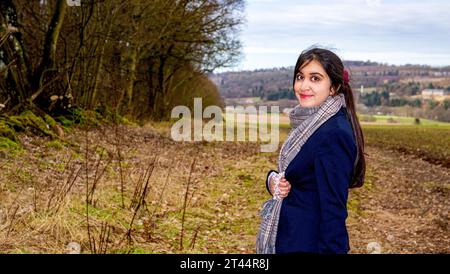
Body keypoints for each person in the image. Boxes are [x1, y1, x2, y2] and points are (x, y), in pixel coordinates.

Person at [265, 47, 366, 254]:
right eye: (300, 77)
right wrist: (273, 180)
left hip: (308, 244)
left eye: (315, 78)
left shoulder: (333, 134)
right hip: (291, 237)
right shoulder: (309, 124)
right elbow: (300, 175)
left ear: (333, 87)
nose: (304, 86)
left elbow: (334, 211)